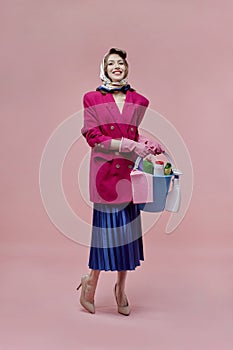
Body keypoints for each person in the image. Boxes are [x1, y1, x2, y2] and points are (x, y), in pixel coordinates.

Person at [77, 48, 164, 316]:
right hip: (105, 175)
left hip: (128, 176)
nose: (117, 66)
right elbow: (92, 136)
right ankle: (90, 281)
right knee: (104, 235)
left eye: (120, 63)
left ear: (126, 68)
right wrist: (127, 144)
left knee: (127, 237)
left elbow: (132, 132)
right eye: (111, 63)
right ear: (104, 68)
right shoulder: (92, 98)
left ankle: (120, 288)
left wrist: (144, 144)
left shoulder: (139, 100)